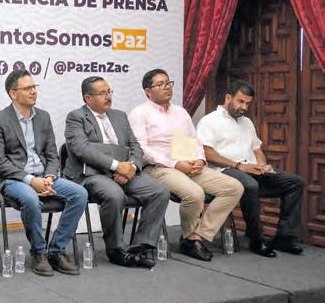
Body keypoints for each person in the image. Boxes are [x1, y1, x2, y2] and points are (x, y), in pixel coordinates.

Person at [128, 69, 243, 262]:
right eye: (160, 84)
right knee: (195, 194)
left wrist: (200, 160)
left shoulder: (180, 112)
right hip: (159, 168)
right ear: (148, 91)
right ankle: (191, 238)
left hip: (190, 164)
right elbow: (141, 149)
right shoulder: (140, 114)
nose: (167, 87)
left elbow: (195, 140)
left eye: (168, 83)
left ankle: (197, 236)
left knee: (234, 188)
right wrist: (175, 164)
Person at [0, 69, 88, 276]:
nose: (34, 91)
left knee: (80, 194)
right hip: (12, 178)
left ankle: (56, 250)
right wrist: (31, 181)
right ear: (13, 93)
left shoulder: (43, 117)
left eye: (34, 87)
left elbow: (52, 154)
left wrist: (49, 177)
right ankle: (39, 253)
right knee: (31, 198)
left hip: (43, 176)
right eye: (28, 88)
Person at [64, 76, 169, 268]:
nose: (108, 96)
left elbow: (135, 146)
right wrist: (116, 166)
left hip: (125, 171)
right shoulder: (76, 117)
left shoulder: (120, 116)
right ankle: (116, 250)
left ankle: (142, 246)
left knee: (159, 192)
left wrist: (132, 167)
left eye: (109, 91)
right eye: (102, 93)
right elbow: (82, 149)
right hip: (91, 174)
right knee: (114, 194)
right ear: (88, 98)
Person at [196, 80, 304, 256]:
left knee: (295, 182)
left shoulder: (247, 122)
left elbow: (257, 150)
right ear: (228, 97)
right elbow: (207, 153)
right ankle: (256, 239)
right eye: (241, 102)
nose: (244, 107)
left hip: (251, 169)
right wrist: (238, 165)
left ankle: (285, 238)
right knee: (250, 186)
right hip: (224, 171)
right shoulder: (209, 121)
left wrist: (262, 165)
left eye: (247, 103)